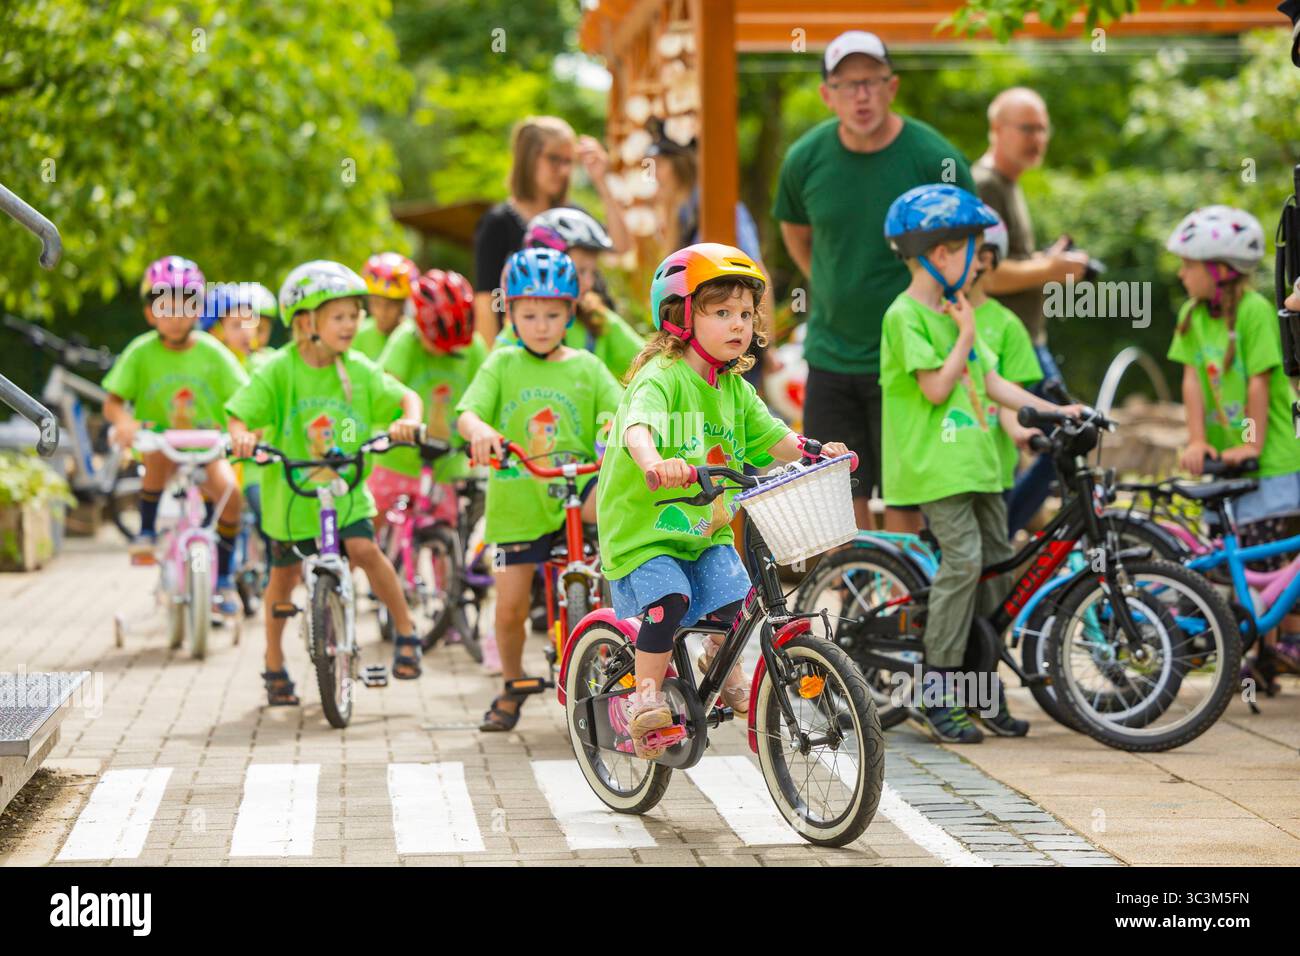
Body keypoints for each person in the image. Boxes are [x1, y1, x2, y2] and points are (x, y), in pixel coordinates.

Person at [595, 243, 850, 759]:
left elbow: (774, 436)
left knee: (738, 604)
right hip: (645, 533)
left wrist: (815, 450)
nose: (739, 324)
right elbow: (636, 426)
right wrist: (652, 463)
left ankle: (720, 657)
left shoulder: (734, 388)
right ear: (681, 316)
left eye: (745, 313)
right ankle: (645, 696)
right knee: (669, 604)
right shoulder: (662, 377)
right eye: (722, 312)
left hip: (704, 530)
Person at [880, 184, 1082, 744]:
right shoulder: (906, 316)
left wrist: (1056, 410)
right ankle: (937, 689)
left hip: (982, 470)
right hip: (937, 470)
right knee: (965, 562)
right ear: (941, 253)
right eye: (972, 248)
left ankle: (978, 688)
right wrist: (965, 332)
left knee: (998, 568)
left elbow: (993, 383)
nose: (979, 261)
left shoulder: (954, 307)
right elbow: (939, 385)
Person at [773, 30, 976, 534]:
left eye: (871, 82)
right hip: (831, 355)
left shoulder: (935, 159)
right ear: (827, 94)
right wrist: (830, 278)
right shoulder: (804, 159)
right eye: (847, 84)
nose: (860, 96)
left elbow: (971, 248)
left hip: (911, 360)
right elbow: (798, 235)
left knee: (909, 498)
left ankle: (906, 608)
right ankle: (855, 605)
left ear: (892, 86)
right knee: (838, 500)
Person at [226, 260, 426, 704]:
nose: (352, 324)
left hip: (345, 493)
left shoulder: (358, 369)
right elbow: (241, 411)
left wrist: (408, 422)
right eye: (339, 316)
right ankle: (274, 662)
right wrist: (240, 435)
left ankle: (407, 632)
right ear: (306, 321)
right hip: (292, 501)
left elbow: (405, 396)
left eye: (355, 315)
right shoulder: (280, 370)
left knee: (366, 551)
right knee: (282, 578)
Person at [457, 247, 623, 732]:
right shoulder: (502, 363)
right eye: (529, 314)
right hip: (518, 504)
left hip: (576, 493)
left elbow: (615, 410)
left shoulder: (588, 368)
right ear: (510, 312)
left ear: (571, 312)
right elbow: (468, 412)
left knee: (616, 524)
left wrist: (615, 427)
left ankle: (619, 655)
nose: (542, 325)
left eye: (553, 314)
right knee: (508, 606)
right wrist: (480, 433)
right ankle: (511, 684)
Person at [1164, 206, 1300, 691]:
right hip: (1228, 461)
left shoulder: (1255, 312)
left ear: (1219, 269)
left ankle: (1269, 650)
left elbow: (1260, 384)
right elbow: (1192, 382)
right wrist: (1198, 439)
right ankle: (1254, 650)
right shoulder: (1191, 316)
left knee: (1263, 558)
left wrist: (1250, 443)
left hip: (1271, 459)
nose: (1181, 273)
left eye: (1188, 264)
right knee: (1231, 555)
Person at [971, 87, 1093, 532]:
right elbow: (988, 274)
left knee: (1061, 439)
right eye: (1027, 128)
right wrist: (1051, 267)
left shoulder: (1010, 184)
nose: (1037, 138)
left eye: (1042, 128)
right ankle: (998, 542)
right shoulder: (984, 183)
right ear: (997, 130)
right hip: (1000, 344)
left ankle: (999, 544)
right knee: (1065, 439)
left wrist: (1046, 260)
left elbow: (1011, 261)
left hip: (1025, 341)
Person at [103, 256, 248, 616]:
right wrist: (124, 423)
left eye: (185, 305)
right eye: (165, 306)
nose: (176, 314)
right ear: (150, 313)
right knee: (156, 458)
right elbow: (113, 401)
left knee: (231, 495)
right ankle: (147, 530)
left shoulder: (214, 353)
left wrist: (240, 428)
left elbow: (245, 400)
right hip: (161, 442)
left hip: (206, 446)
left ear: (199, 309)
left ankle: (226, 578)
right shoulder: (141, 352)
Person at [472, 116, 631, 346]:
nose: (564, 170)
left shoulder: (573, 217)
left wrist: (601, 182)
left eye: (569, 161)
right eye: (554, 159)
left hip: (591, 340)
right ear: (528, 158)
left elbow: (621, 246)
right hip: (531, 345)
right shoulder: (497, 223)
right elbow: (487, 301)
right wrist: (493, 362)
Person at [371, 269, 486, 535]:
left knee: (446, 541)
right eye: (438, 344)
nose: (446, 352)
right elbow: (383, 385)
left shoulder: (474, 348)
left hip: (446, 465)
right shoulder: (406, 338)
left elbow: (486, 395)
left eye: (453, 347)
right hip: (396, 460)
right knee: (363, 540)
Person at [495, 208, 644, 380]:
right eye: (580, 271)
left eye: (593, 272)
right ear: (544, 266)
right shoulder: (517, 333)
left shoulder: (597, 318)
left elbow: (647, 362)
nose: (589, 283)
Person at [968, 216, 1045, 497]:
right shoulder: (933, 316)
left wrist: (1018, 430)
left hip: (993, 468)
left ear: (986, 260)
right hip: (944, 471)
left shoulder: (1007, 325)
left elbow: (1009, 395)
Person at [356, 252, 419, 361]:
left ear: (403, 303)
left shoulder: (414, 337)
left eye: (391, 305)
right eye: (375, 303)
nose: (382, 312)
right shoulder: (357, 334)